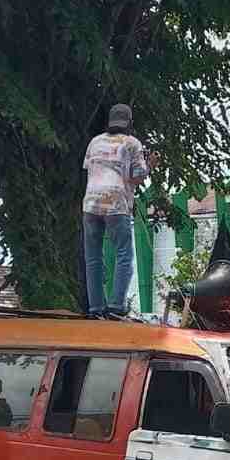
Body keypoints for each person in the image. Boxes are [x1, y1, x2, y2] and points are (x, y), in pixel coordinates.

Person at [81, 103, 151, 317]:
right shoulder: (132, 143)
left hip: (91, 202)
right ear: (129, 122)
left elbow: (90, 169)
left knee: (93, 257)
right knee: (123, 254)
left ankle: (95, 308)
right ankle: (116, 306)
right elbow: (137, 176)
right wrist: (150, 165)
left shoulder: (95, 142)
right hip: (116, 202)